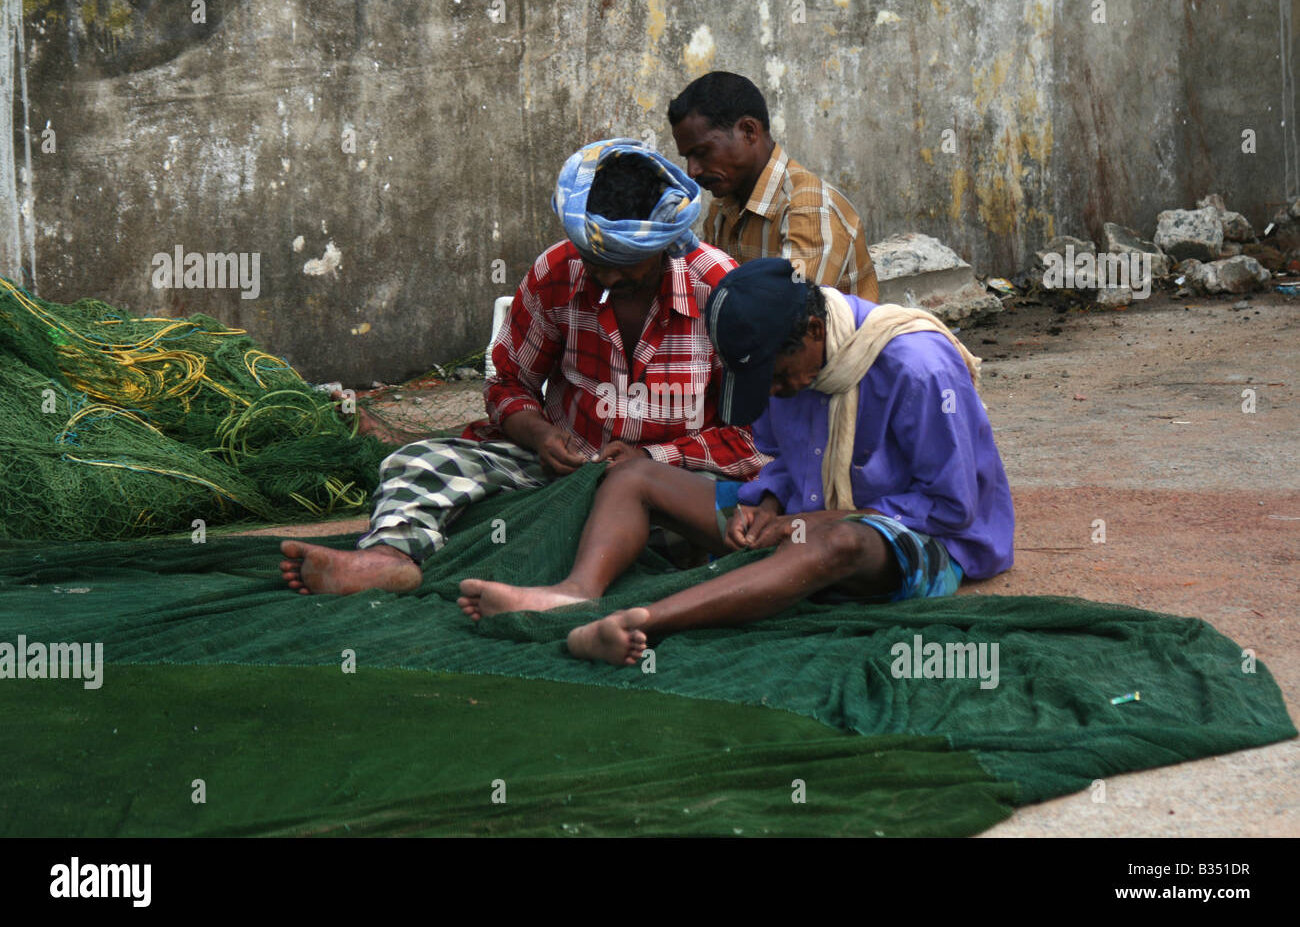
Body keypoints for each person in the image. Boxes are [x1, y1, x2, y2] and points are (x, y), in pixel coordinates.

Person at [458, 257, 1014, 666]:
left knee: (833, 544)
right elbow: (783, 461)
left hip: (929, 542)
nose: (774, 390)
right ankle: (576, 594)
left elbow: (951, 507)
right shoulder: (786, 369)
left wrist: (814, 521)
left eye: (776, 375)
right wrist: (767, 502)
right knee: (632, 474)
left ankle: (646, 622)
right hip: (801, 519)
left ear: (815, 332)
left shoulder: (918, 366)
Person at [280, 139, 767, 596]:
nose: (607, 275)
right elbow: (509, 383)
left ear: (663, 243)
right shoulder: (558, 271)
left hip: (672, 485)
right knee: (416, 463)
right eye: (595, 258)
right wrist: (539, 436)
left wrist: (654, 462)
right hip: (559, 470)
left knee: (737, 519)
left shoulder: (721, 292)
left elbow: (755, 440)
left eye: (625, 262)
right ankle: (387, 557)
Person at [668, 71, 880, 302]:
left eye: (701, 152)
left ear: (749, 131)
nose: (692, 171)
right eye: (687, 158)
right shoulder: (721, 209)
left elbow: (786, 317)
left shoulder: (809, 209)